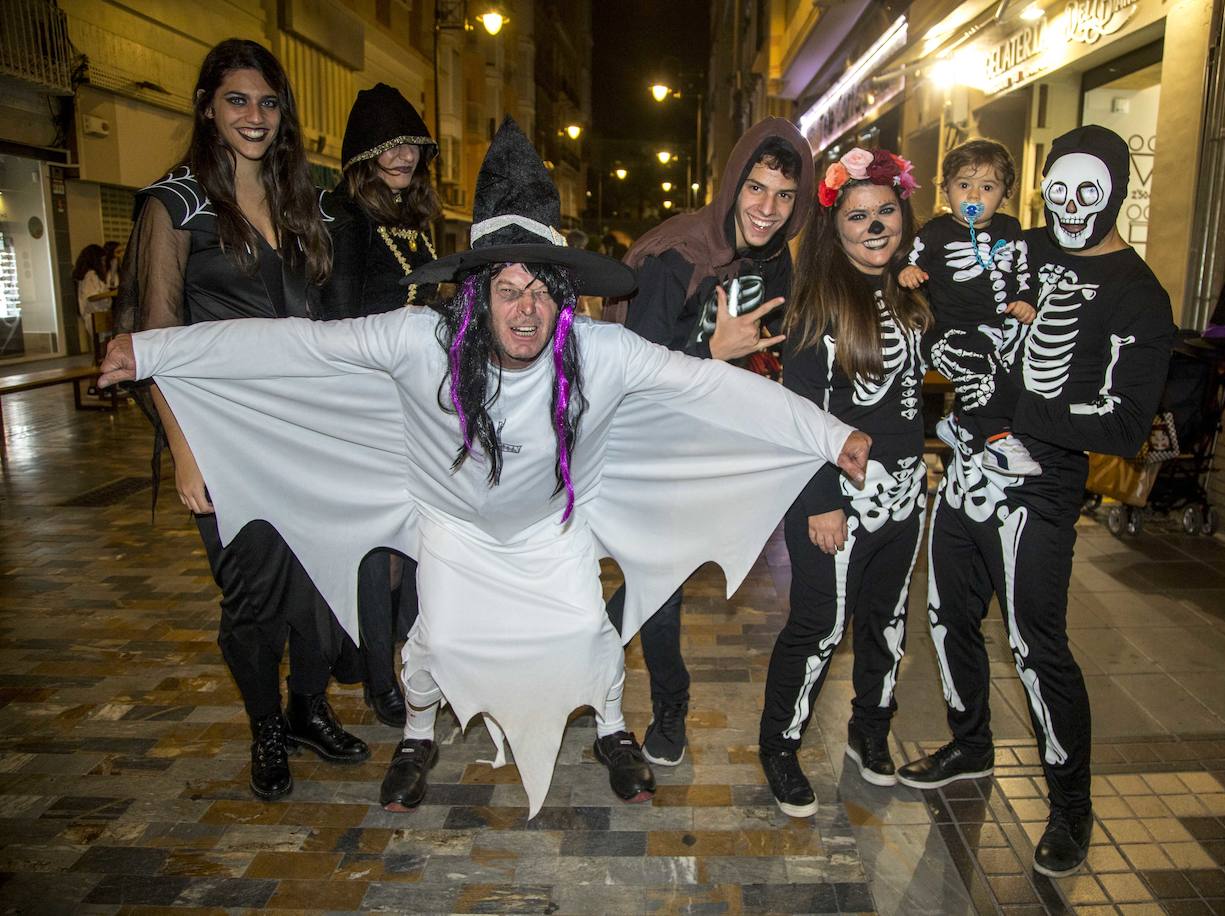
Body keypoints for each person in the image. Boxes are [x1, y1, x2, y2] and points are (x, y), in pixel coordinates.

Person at [99, 117, 873, 818]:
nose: (526, 310)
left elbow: (709, 386)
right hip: (455, 530)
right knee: (436, 644)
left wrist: (828, 433)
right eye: (507, 290)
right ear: (475, 295)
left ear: (562, 296)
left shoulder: (600, 351)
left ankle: (612, 729)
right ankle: (416, 737)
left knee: (590, 636)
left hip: (554, 529)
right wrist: (153, 350)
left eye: (540, 291)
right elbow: (293, 345)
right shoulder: (417, 341)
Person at [899, 125, 1174, 877]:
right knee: (948, 618)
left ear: (1116, 192)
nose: (1070, 204)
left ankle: (1071, 805)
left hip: (1041, 486)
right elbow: (948, 282)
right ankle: (970, 744)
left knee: (1035, 645)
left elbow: (1125, 427)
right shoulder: (1022, 244)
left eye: (1088, 191)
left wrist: (1012, 408)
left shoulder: (1138, 294)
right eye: (1059, 188)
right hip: (964, 468)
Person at [112, 38, 368, 802]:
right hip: (223, 438)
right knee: (253, 593)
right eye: (237, 100)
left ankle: (306, 708)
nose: (254, 116)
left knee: (323, 576)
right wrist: (185, 452)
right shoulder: (175, 206)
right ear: (207, 107)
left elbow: (329, 319)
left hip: (308, 428)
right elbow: (154, 341)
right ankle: (266, 728)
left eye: (267, 102)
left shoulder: (304, 201)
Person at [601, 117, 813, 769]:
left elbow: (771, 347)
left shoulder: (775, 260)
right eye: (757, 188)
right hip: (650, 442)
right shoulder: (677, 257)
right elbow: (633, 369)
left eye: (784, 195)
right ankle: (667, 704)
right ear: (733, 184)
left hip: (711, 447)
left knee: (659, 575)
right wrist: (712, 351)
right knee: (659, 578)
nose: (768, 208)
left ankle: (583, 656)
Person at [756, 147, 930, 817]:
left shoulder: (912, 289)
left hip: (906, 494)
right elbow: (798, 416)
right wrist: (821, 501)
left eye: (886, 211)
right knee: (819, 627)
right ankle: (779, 745)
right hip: (838, 499)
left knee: (887, 622)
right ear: (836, 227)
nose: (875, 226)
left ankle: (870, 731)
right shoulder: (818, 306)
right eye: (858, 216)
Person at [319, 83, 440, 727]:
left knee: (411, 542)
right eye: (389, 145)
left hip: (415, 406)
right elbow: (339, 323)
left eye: (412, 144)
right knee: (377, 551)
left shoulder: (410, 217)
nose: (403, 156)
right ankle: (378, 678)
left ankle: (404, 657)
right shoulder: (347, 221)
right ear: (363, 154)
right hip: (368, 407)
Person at [898, 139, 1041, 476]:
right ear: (945, 189)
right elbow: (907, 259)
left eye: (987, 187)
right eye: (964, 185)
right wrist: (907, 271)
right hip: (948, 332)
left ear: (1005, 195)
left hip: (997, 327)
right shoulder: (934, 232)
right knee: (981, 370)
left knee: (1010, 374)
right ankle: (999, 441)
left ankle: (961, 422)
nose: (974, 196)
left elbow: (1024, 270)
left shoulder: (1010, 229)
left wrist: (1025, 299)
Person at [73, 244, 116, 361]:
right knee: (101, 352)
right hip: (94, 315)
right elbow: (91, 297)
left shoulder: (94, 275)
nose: (104, 263)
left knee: (105, 351)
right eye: (102, 260)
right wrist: (109, 294)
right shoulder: (90, 275)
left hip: (100, 314)